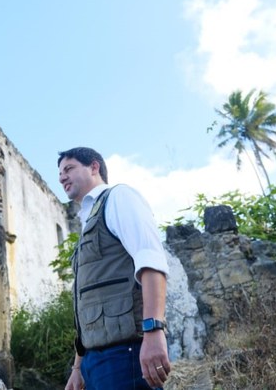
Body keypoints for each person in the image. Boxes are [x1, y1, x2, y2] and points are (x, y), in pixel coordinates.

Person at [58, 147, 171, 390]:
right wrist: (79, 367)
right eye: (59, 173)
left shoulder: (118, 197)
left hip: (125, 353)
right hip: (96, 361)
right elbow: (88, 303)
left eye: (69, 168)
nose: (61, 177)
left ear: (94, 167)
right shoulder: (87, 221)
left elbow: (151, 261)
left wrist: (153, 331)